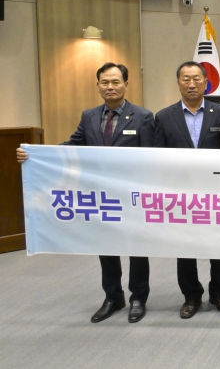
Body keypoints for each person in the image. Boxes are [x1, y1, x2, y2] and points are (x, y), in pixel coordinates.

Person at [17, 63, 154, 324]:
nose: (110, 87)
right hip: (100, 195)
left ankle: (138, 298)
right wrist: (35, 155)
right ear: (98, 86)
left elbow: (150, 157)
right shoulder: (89, 116)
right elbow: (73, 146)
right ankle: (113, 297)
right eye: (105, 82)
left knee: (137, 247)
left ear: (126, 85)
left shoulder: (143, 116)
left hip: (131, 195)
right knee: (105, 246)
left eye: (115, 82)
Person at [153, 61, 220, 319]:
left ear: (206, 82)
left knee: (218, 246)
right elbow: (158, 159)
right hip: (181, 196)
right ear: (178, 83)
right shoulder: (164, 117)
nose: (191, 84)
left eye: (197, 78)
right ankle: (191, 296)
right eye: (186, 78)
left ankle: (219, 292)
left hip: (216, 193)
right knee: (185, 248)